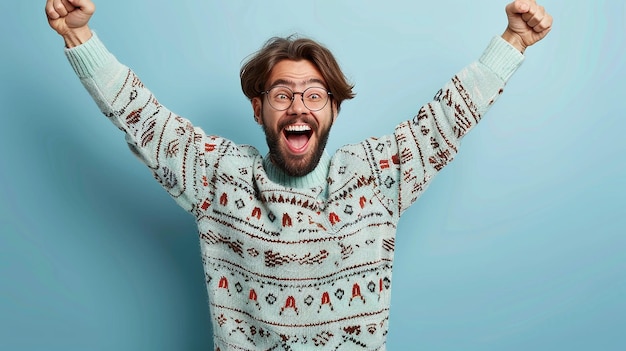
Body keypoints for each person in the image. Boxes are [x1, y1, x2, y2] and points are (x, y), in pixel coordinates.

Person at [45, 0, 552, 349]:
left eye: (314, 94)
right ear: (258, 108)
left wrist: (514, 40)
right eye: (282, 94)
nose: (298, 107)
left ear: (332, 110)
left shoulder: (376, 175)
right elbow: (142, 116)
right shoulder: (217, 176)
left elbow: (446, 118)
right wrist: (78, 35)